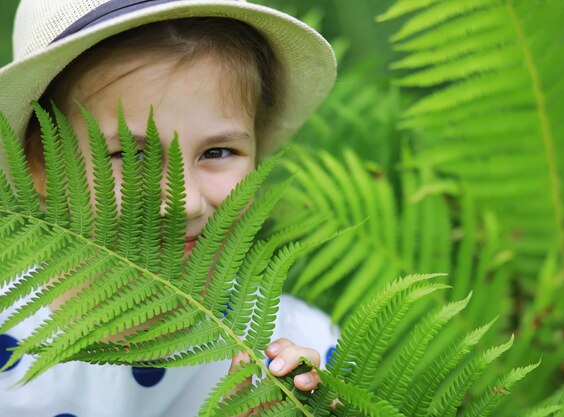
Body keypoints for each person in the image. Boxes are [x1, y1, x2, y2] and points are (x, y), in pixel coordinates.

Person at [0, 1, 339, 416]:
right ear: (41, 164)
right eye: (132, 154)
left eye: (218, 151)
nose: (186, 202)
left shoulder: (301, 353)